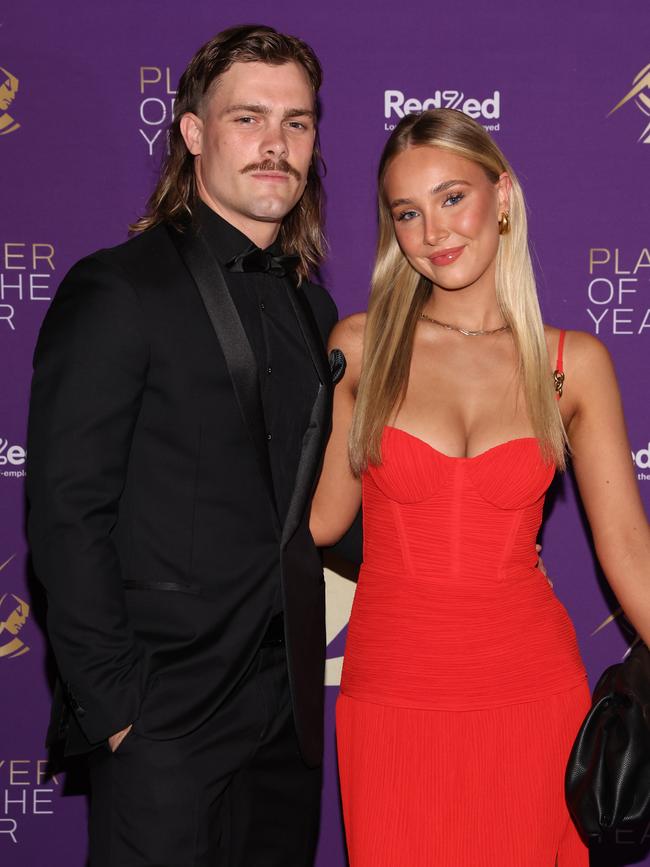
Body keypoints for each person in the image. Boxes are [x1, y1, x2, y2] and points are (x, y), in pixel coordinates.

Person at [27, 24, 338, 867]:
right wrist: (120, 709)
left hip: (287, 720)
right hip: (166, 717)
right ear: (194, 133)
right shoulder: (119, 288)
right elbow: (66, 509)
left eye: (297, 122)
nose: (276, 144)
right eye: (249, 118)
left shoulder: (314, 309)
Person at [310, 108, 650, 866]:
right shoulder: (359, 349)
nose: (434, 231)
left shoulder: (572, 362)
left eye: (452, 197)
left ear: (502, 196)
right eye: (408, 212)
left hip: (533, 695)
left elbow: (629, 549)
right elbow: (322, 520)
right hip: (393, 697)